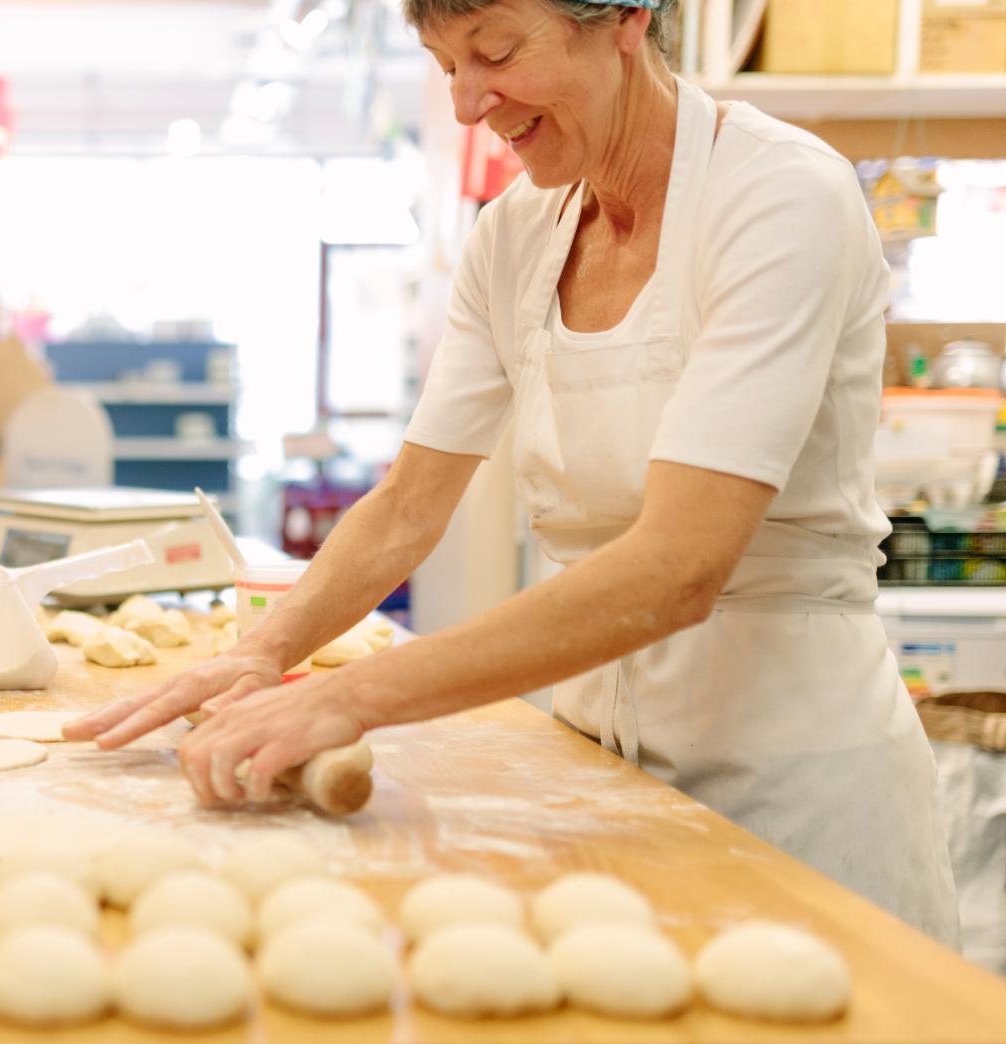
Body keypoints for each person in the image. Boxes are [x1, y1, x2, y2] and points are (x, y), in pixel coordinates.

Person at [69, 0, 960, 944]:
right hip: (592, 774)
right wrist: (264, 651)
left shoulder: (781, 198)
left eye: (493, 53)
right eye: (445, 63)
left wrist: (350, 694)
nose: (465, 103)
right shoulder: (516, 233)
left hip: (793, 787)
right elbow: (411, 503)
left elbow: (679, 567)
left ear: (624, 18)